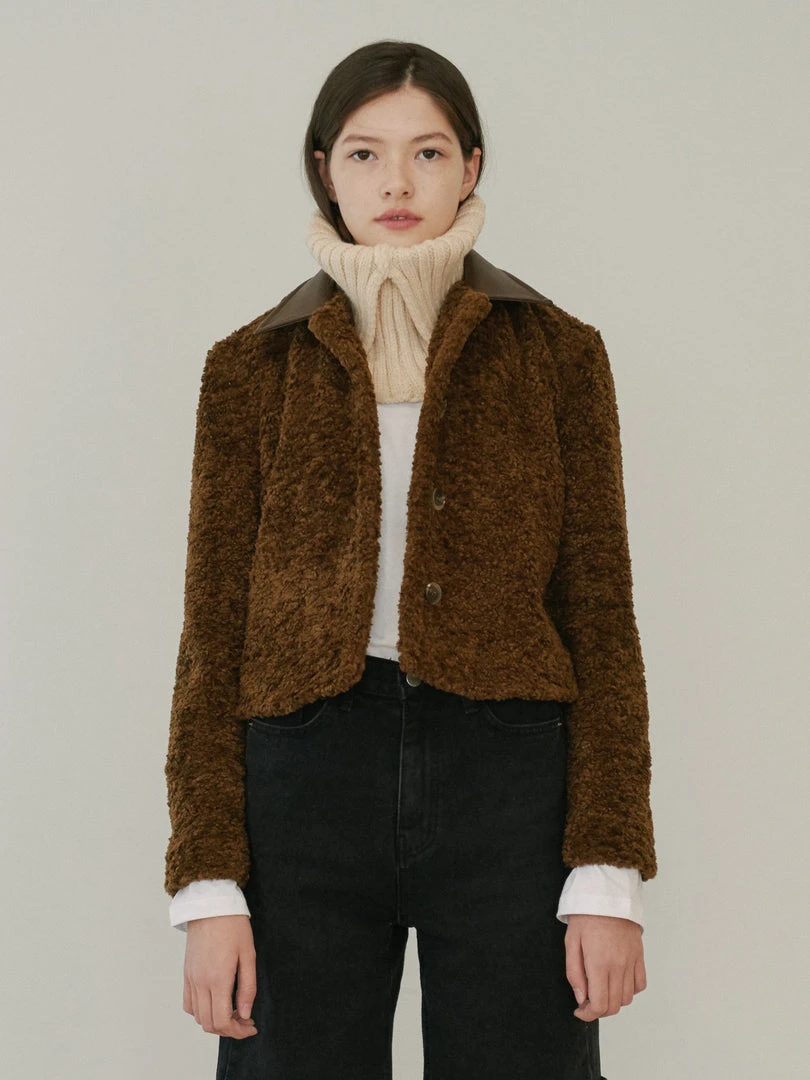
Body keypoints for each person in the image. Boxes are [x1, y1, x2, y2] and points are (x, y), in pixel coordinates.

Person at [164, 39, 657, 1080]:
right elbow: (213, 635)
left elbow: (601, 615)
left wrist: (607, 872)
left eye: (428, 153)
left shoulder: (559, 355)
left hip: (509, 779)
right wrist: (207, 884)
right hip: (302, 781)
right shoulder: (251, 368)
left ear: (471, 167)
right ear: (324, 169)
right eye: (364, 153)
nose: (396, 182)